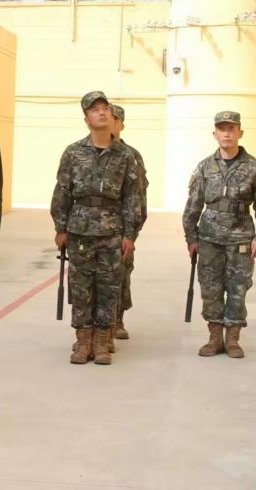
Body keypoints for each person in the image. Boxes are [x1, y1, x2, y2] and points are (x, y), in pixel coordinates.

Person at [51, 91, 141, 366]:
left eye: (105, 108)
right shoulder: (73, 153)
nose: (102, 112)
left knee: (109, 287)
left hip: (112, 232)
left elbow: (132, 197)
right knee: (81, 287)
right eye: (95, 109)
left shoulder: (125, 155)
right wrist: (60, 227)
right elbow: (62, 191)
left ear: (112, 116)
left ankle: (102, 342)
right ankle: (83, 342)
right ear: (87, 119)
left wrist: (130, 234)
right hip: (79, 230)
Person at [182, 111, 256, 359]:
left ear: (239, 133)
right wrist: (191, 237)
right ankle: (214, 338)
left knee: (238, 288)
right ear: (215, 134)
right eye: (222, 129)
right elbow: (193, 204)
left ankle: (232, 339)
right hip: (209, 238)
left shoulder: (254, 167)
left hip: (240, 238)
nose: (226, 134)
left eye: (231, 129)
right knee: (210, 288)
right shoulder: (205, 166)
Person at [110, 104, 148, 341]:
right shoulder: (83, 151)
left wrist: (132, 230)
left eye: (115, 119)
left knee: (121, 275)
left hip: (122, 227)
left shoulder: (132, 155)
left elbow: (139, 196)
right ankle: (90, 328)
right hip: (91, 228)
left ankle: (117, 320)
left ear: (121, 124)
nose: (110, 122)